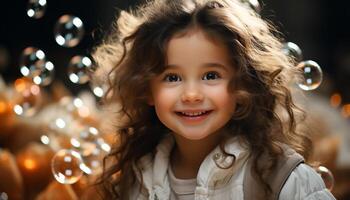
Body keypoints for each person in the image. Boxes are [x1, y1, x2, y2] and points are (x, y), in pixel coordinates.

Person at [91, 0, 336, 199]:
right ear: (146, 89)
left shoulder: (282, 180)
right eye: (172, 77)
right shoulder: (137, 180)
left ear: (242, 85)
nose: (191, 95)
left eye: (211, 75)